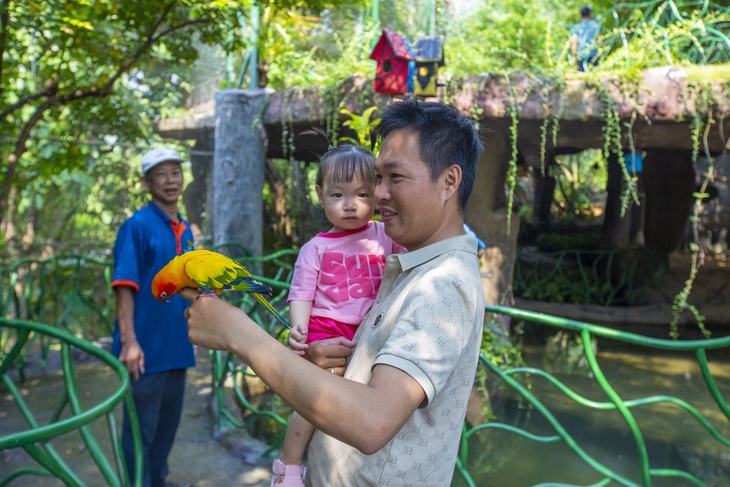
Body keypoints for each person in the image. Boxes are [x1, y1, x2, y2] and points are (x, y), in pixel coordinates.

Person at [181, 100, 486, 486]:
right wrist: (329, 356)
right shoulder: (410, 262)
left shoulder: (442, 283)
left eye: (396, 177)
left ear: (449, 182)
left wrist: (239, 335)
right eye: (378, 178)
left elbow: (373, 421)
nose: (380, 193)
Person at [273, 140, 406, 485]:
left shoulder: (384, 234)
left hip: (370, 329)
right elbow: (301, 293)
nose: (350, 205)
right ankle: (288, 464)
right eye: (337, 195)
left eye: (362, 195)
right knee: (317, 400)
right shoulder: (315, 248)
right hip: (327, 328)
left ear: (377, 193)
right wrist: (299, 330)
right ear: (320, 194)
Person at [111, 148, 195, 487]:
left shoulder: (184, 227)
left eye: (175, 172)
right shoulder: (137, 226)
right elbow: (124, 287)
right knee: (139, 431)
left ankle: (158, 481)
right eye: (161, 174)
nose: (170, 180)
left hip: (177, 344)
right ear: (147, 182)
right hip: (145, 348)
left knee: (166, 427)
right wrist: (130, 342)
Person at [571, 6, 601, 72]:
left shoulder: (577, 27)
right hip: (594, 55)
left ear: (581, 15)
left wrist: (573, 57)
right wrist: (601, 54)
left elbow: (574, 43)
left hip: (581, 56)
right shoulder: (595, 25)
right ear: (590, 14)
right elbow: (600, 41)